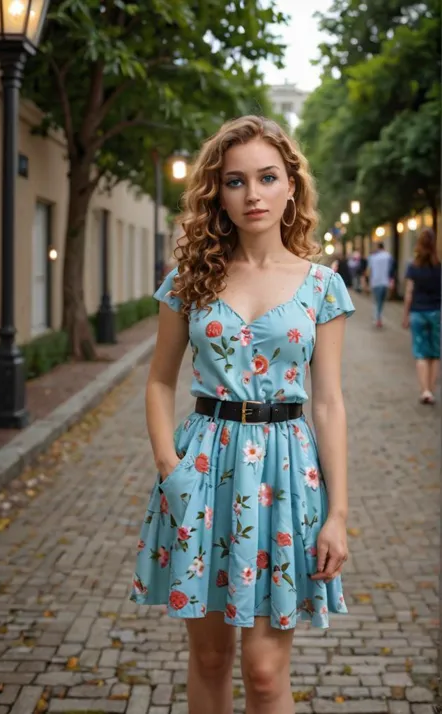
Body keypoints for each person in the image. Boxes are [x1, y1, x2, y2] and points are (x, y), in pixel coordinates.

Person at [130, 116, 355, 714]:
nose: (252, 194)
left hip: (286, 475)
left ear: (290, 187)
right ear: (217, 193)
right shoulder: (190, 280)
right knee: (208, 659)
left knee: (262, 672)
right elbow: (158, 381)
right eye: (235, 181)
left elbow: (329, 401)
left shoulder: (322, 286)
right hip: (202, 471)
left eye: (266, 177)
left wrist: (338, 512)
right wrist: (169, 466)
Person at [402, 228, 441, 405]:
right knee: (434, 353)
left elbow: (409, 293)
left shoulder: (413, 266)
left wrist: (405, 315)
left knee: (420, 353)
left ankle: (424, 390)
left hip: (417, 312)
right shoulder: (439, 266)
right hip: (436, 312)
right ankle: (431, 390)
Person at [367, 242, 395, 327]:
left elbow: (369, 270)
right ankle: (379, 317)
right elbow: (392, 270)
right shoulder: (388, 256)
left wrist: (368, 282)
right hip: (385, 282)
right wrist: (391, 281)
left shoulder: (372, 257)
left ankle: (377, 318)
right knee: (381, 302)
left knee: (376, 301)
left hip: (375, 282)